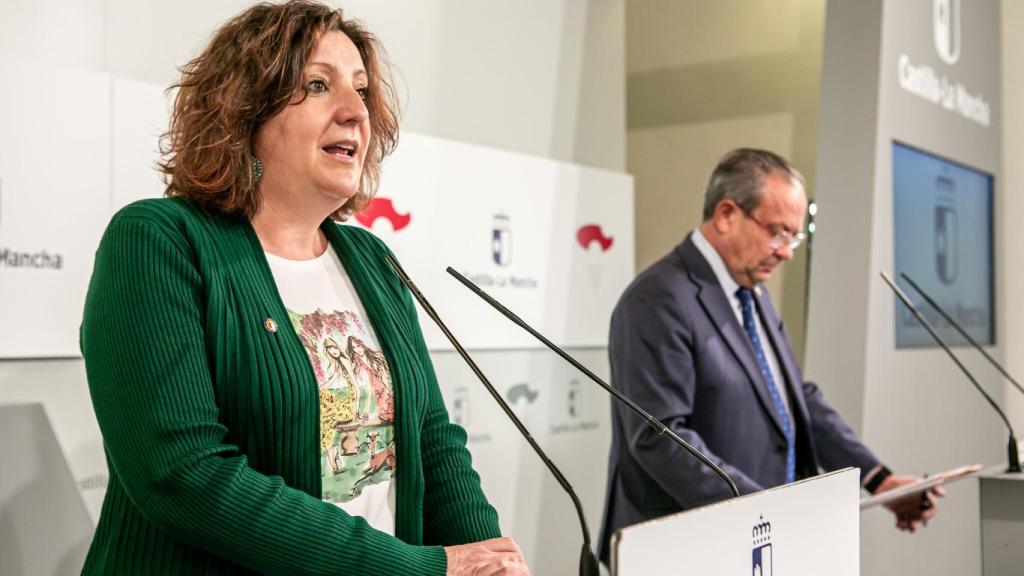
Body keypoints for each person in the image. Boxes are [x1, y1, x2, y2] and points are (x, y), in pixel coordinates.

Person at [80, 2, 529, 574]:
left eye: (362, 91)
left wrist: (486, 558)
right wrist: (417, 569)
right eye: (318, 85)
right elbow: (183, 473)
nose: (354, 112)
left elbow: (431, 441)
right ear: (245, 110)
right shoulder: (158, 241)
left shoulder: (370, 258)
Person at [596, 148, 941, 563]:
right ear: (726, 214)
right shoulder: (658, 299)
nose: (787, 251)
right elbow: (660, 436)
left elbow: (796, 397)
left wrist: (879, 479)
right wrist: (766, 509)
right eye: (777, 232)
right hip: (690, 546)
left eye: (795, 236)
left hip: (760, 540)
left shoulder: (751, 294)